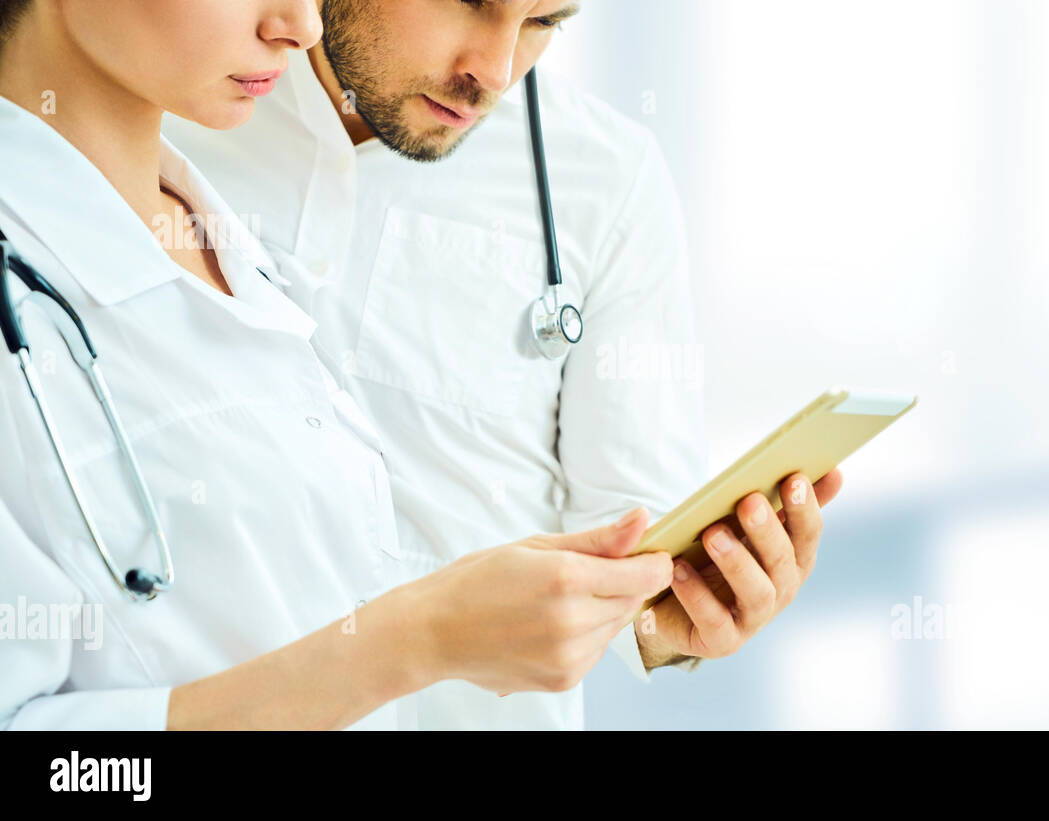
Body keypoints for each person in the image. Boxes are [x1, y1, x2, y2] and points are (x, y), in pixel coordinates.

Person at [166, 0, 845, 730]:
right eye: (469, 2)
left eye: (544, 21)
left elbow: (634, 554)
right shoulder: (151, 118)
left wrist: (680, 607)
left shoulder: (606, 179)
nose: (491, 73)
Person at [0, 0, 678, 730]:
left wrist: (664, 605)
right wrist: (414, 641)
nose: (302, 24)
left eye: (547, 22)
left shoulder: (218, 243)